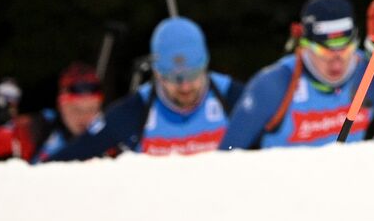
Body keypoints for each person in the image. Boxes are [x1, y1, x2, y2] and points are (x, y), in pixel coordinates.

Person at [221, 0, 374, 148]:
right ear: (304, 46)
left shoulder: (368, 73)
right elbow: (227, 158)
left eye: (346, 50)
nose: (336, 63)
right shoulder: (275, 84)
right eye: (325, 53)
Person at [45, 18, 242, 160]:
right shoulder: (136, 111)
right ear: (157, 73)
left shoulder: (231, 98)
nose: (185, 86)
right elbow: (66, 159)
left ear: (205, 66)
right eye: (174, 78)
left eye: (193, 75)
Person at [0, 63, 106, 163]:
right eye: (76, 110)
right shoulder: (38, 127)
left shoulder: (107, 134)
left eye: (92, 109)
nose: (85, 117)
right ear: (62, 106)